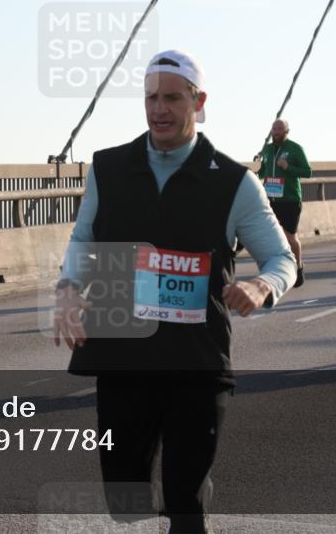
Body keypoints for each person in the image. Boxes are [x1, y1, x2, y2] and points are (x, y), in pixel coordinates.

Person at [53, 50, 296, 532]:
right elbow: (84, 238)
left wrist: (261, 285)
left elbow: (281, 258)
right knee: (126, 499)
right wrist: (68, 291)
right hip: (123, 356)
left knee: (186, 501)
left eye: (172, 98)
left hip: (196, 361)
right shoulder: (108, 168)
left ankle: (188, 506)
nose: (159, 109)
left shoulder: (235, 183)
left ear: (198, 102)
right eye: (150, 98)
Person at [258, 119, 312, 286]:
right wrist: (254, 171)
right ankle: (275, 270)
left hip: (289, 199)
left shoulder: (295, 148)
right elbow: (263, 171)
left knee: (290, 237)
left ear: (287, 131)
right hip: (269, 199)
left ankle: (299, 267)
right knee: (269, 236)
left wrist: (288, 167)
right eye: (274, 128)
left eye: (280, 128)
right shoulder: (267, 149)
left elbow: (308, 172)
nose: (276, 131)